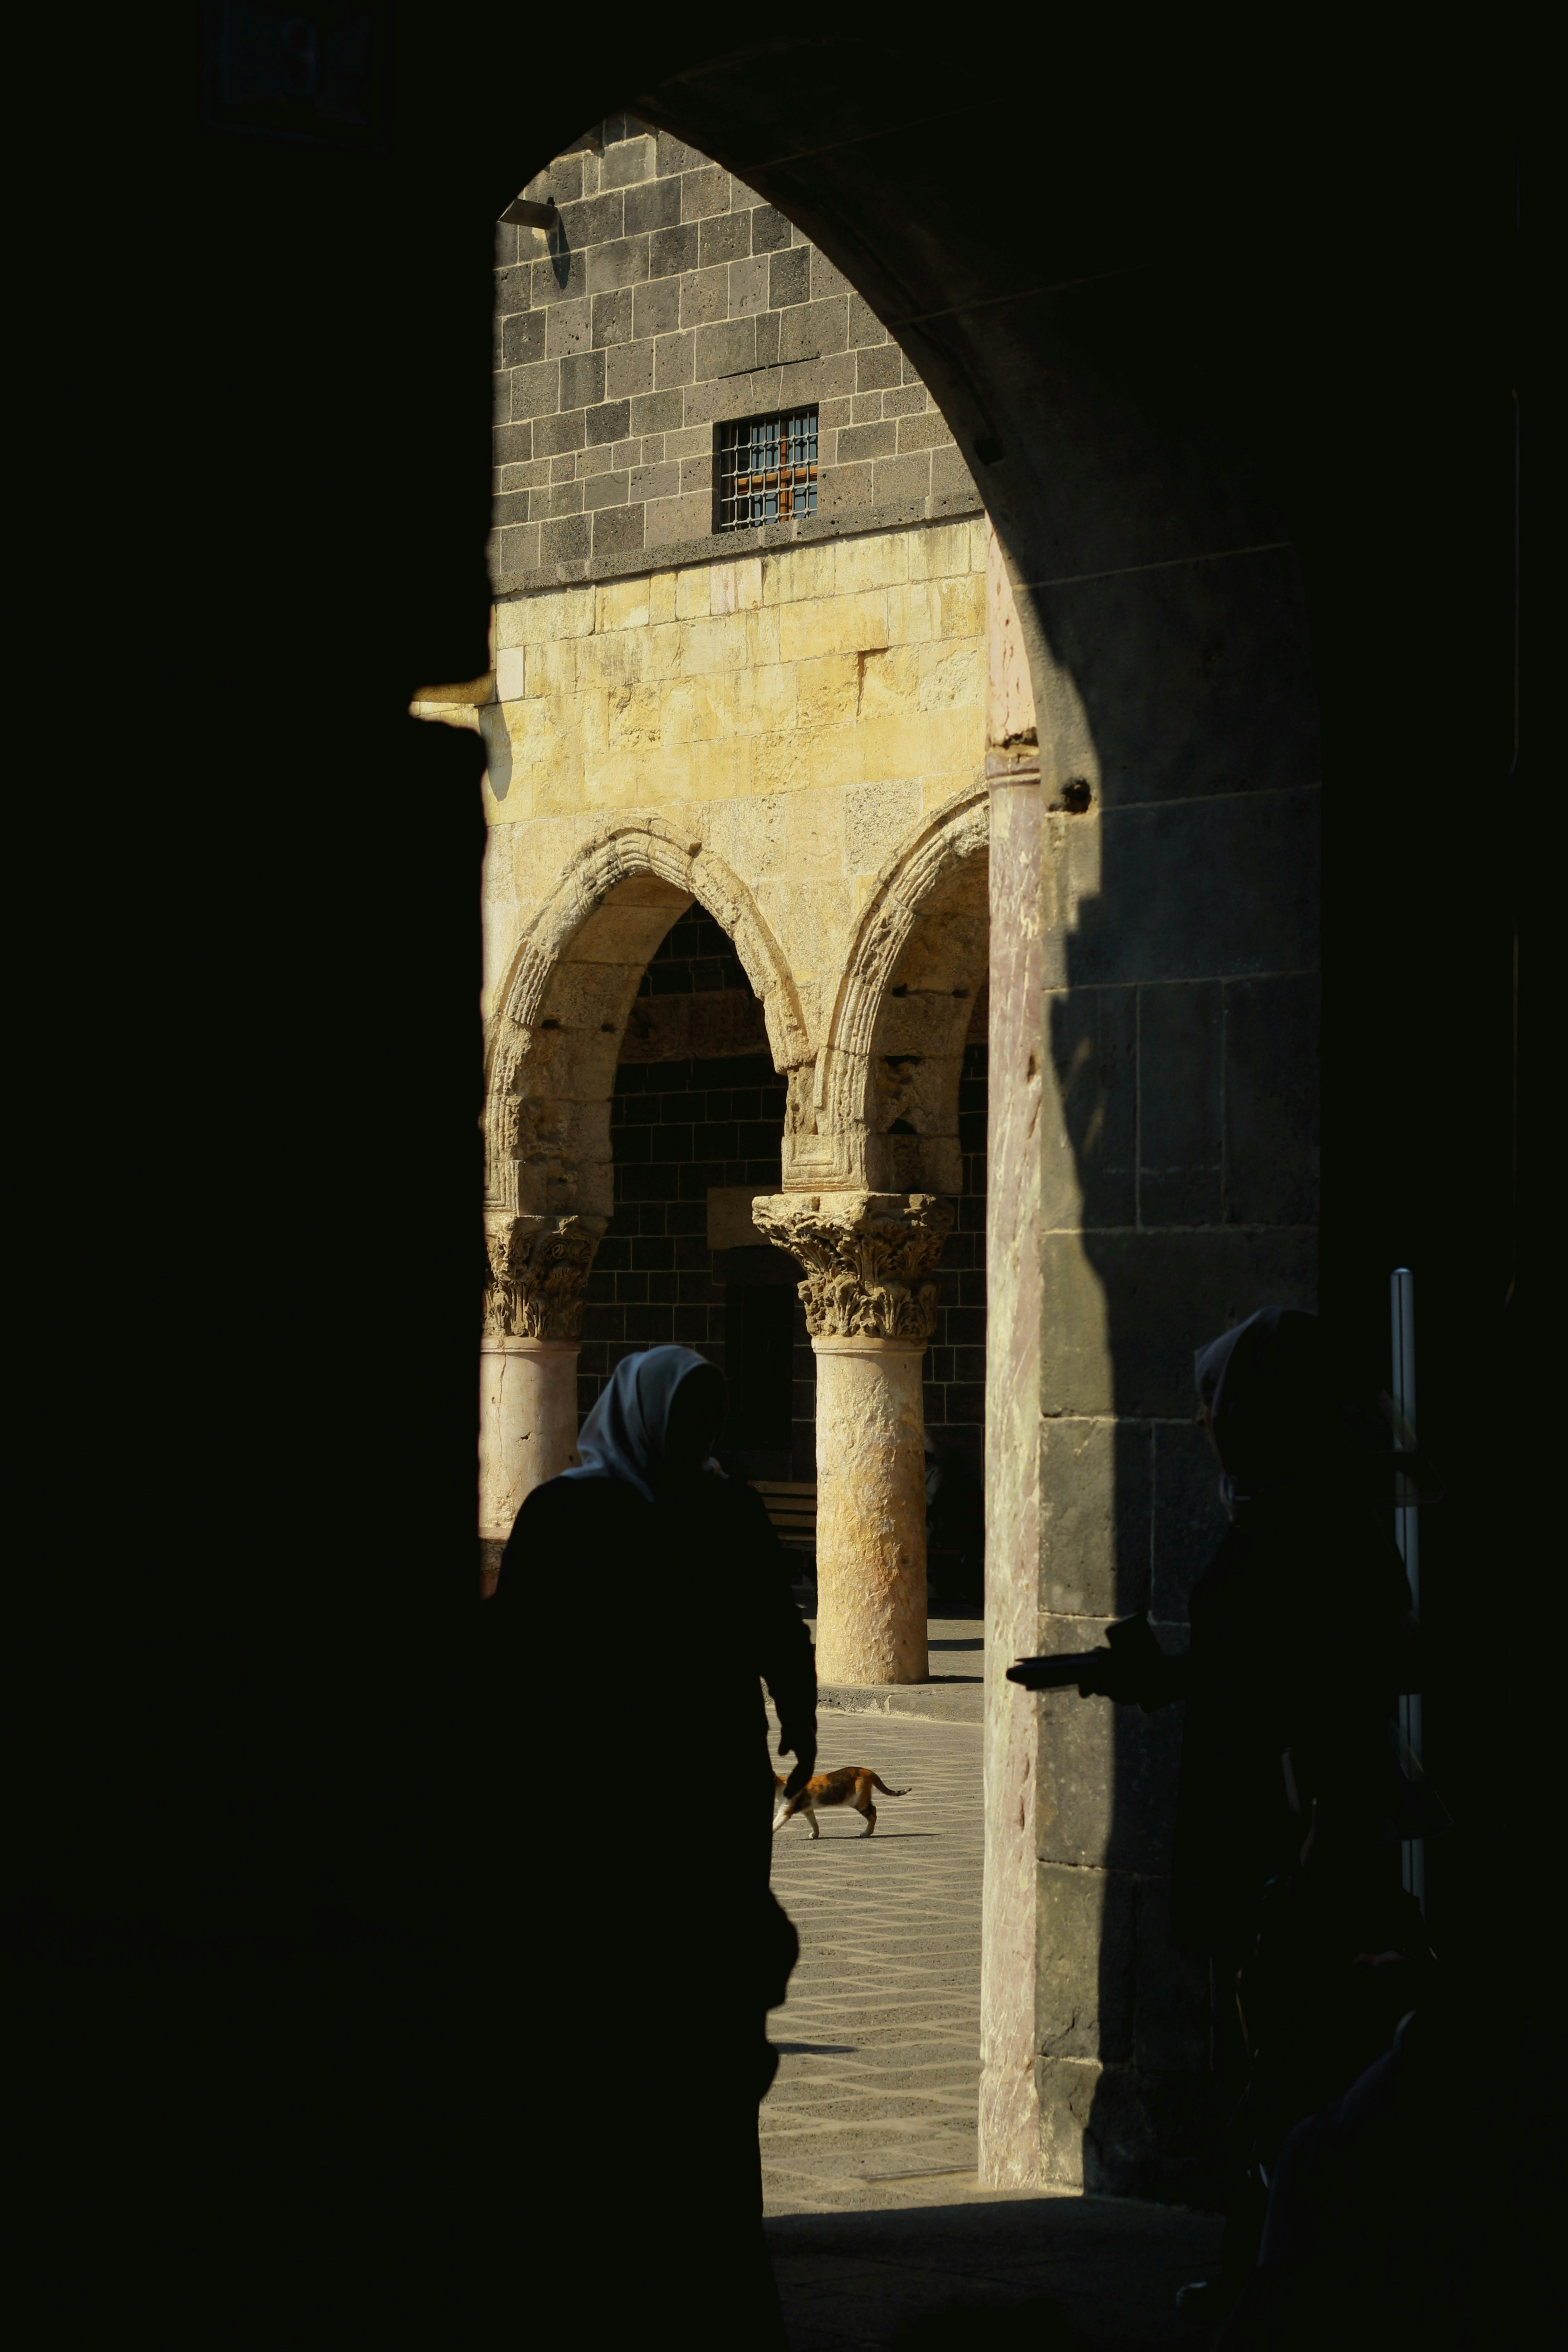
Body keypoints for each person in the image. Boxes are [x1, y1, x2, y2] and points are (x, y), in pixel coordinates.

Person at [1076, 1308, 1431, 2324]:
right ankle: (1257, 2262)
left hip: (1291, 1832)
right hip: (1257, 1813)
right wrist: (1161, 1677)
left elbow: (1324, 1681)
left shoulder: (1312, 1525)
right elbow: (1255, 1667)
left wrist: (1315, 1836)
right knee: (1263, 2060)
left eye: (1215, 1399)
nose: (1200, 1419)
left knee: (1288, 2059)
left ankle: (1286, 2283)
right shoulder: (1286, 1509)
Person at [477, 1347, 816, 2347]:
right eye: (693, 1418)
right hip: (664, 1794)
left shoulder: (584, 1513)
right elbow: (776, 1628)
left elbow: (514, 1651)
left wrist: (799, 1711)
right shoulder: (697, 1512)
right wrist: (796, 1712)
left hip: (636, 1799)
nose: (701, 1436)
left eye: (711, 1419)